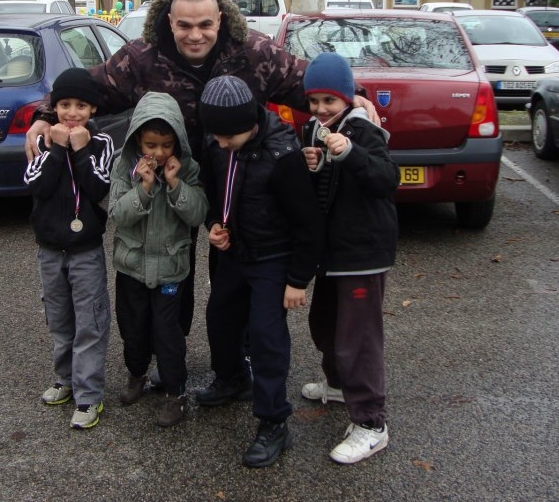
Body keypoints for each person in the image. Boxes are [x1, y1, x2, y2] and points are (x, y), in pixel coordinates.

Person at [24, 0, 377, 338]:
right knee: (172, 262)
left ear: (220, 20)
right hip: (170, 176)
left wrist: (355, 96)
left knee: (235, 265)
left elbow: (304, 81)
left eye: (205, 24)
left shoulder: (254, 51)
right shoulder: (142, 58)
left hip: (238, 177)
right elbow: (89, 87)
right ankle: (170, 346)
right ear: (170, 22)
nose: (195, 35)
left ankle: (241, 349)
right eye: (185, 26)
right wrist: (46, 114)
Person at [195, 75, 325, 468]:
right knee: (220, 318)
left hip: (273, 258)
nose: (220, 144)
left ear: (249, 125)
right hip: (234, 252)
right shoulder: (217, 143)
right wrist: (213, 224)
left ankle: (273, 421)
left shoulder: (283, 155)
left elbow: (308, 222)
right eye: (215, 136)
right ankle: (233, 377)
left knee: (267, 338)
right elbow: (212, 191)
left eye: (227, 137)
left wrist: (298, 279)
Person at [297, 52, 399, 464]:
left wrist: (351, 153)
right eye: (314, 100)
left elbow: (386, 179)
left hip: (362, 251)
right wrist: (313, 165)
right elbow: (324, 189)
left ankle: (372, 423)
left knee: (358, 340)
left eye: (329, 101)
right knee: (325, 325)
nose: (321, 109)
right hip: (330, 252)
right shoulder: (314, 128)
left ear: (346, 97)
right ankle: (339, 385)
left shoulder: (363, 130)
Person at [107, 92, 207, 427]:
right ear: (138, 139)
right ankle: (137, 374)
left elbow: (197, 215)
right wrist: (144, 188)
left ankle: (175, 392)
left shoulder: (188, 168)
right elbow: (117, 215)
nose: (160, 153)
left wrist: (175, 183)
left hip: (170, 269)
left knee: (168, 333)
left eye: (167, 145)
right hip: (132, 266)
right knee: (133, 327)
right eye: (151, 145)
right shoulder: (124, 166)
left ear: (178, 141)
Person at [23, 68, 115, 430]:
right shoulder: (44, 140)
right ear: (55, 108)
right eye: (64, 105)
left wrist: (79, 149)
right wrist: (59, 147)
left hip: (85, 250)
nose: (72, 113)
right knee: (59, 319)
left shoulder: (101, 143)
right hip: (50, 250)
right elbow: (38, 186)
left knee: (90, 321)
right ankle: (65, 379)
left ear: (92, 109)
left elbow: (98, 188)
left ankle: (89, 394)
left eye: (80, 106)